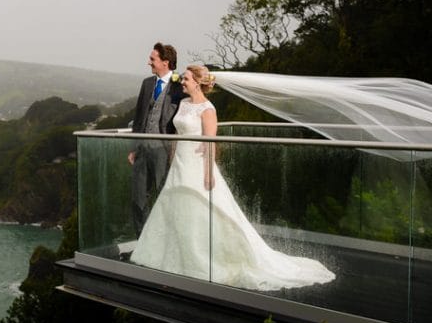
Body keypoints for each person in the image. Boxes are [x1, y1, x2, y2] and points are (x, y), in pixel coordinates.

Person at [129, 65, 336, 291]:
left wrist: (208, 172)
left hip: (197, 165)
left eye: (186, 79)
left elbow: (210, 144)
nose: (183, 82)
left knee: (201, 208)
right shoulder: (184, 104)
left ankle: (204, 258)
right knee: (175, 206)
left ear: (198, 82)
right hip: (179, 162)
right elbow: (178, 135)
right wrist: (172, 158)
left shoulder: (208, 110)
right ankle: (173, 256)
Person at [128, 43, 186, 235]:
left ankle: (165, 240)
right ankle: (142, 242)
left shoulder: (179, 86)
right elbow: (138, 118)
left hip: (164, 149)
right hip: (142, 149)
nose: (149, 62)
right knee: (138, 199)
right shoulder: (146, 84)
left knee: (164, 196)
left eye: (153, 59)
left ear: (165, 62)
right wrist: (133, 147)